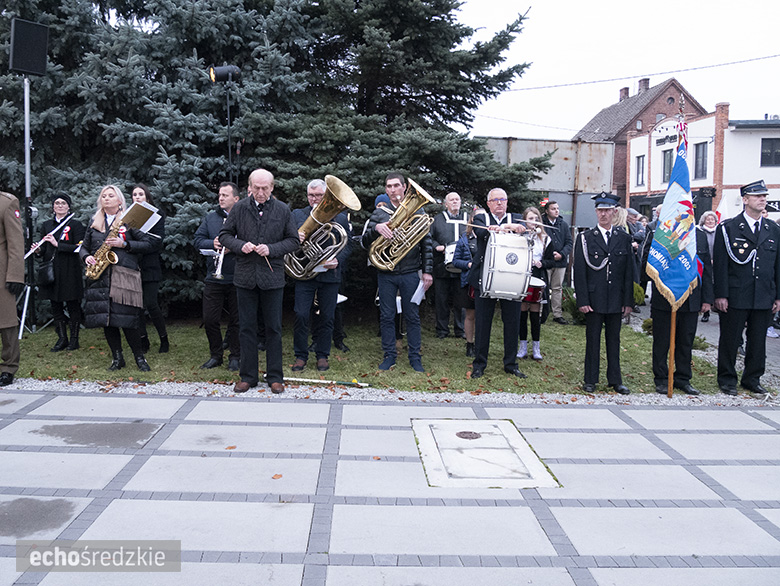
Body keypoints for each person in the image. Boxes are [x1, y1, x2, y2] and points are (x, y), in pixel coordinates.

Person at [219, 169, 299, 394]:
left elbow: (293, 240)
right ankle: (248, 376)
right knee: (246, 328)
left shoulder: (283, 210)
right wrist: (239, 245)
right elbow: (224, 235)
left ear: (272, 187)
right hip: (244, 277)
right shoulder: (240, 208)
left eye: (265, 188)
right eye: (257, 188)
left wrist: (272, 249)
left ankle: (275, 377)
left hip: (272, 278)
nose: (261, 192)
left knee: (273, 328)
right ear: (249, 187)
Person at [713, 180, 780, 396]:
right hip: (735, 293)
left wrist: (778, 296)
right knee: (731, 339)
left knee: (758, 340)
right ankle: (727, 379)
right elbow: (721, 264)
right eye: (757, 196)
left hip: (763, 294)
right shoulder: (729, 228)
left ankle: (752, 378)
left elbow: (778, 265)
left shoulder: (773, 229)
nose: (763, 200)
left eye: (764, 196)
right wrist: (721, 294)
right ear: (745, 200)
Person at [362, 172, 433, 372]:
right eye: (389, 186)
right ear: (386, 190)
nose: (392, 190)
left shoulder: (418, 213)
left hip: (410, 272)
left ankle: (415, 357)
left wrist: (427, 272)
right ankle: (389, 355)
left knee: (412, 315)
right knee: (386, 315)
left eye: (396, 186)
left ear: (404, 188)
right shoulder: (379, 214)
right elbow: (362, 242)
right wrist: (376, 228)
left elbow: (426, 246)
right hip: (386, 273)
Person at [80, 185, 153, 371]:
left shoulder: (129, 220)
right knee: (107, 320)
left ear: (119, 200)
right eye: (103, 196)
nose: (106, 198)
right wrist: (85, 256)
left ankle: (140, 358)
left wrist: (124, 243)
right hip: (101, 276)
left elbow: (147, 244)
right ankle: (117, 358)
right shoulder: (94, 221)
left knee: (128, 320)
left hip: (124, 276)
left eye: (110, 196)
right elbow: (83, 246)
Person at [643, 219, 713, 395]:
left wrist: (706, 299)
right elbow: (646, 262)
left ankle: (683, 378)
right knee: (662, 341)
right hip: (665, 297)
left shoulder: (700, 237)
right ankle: (661, 379)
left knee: (685, 341)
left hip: (690, 297)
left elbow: (706, 268)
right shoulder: (660, 236)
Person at [573, 192, 634, 394]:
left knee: (614, 340)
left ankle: (615, 380)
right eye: (600, 210)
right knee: (593, 341)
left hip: (616, 298)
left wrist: (628, 301)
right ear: (596, 212)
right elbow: (579, 272)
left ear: (614, 212)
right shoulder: (585, 238)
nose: (603, 214)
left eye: (607, 210)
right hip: (594, 298)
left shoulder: (623, 238)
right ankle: (590, 379)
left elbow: (628, 273)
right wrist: (582, 299)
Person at [291, 179, 352, 373]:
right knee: (300, 314)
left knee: (327, 316)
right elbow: (286, 241)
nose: (315, 199)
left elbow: (348, 245)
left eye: (319, 195)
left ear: (325, 196)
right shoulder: (296, 215)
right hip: (304, 273)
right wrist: (295, 238)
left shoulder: (339, 217)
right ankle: (300, 356)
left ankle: (322, 355)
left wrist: (337, 259)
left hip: (330, 274)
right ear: (306, 195)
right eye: (311, 195)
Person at [468, 188, 528, 379]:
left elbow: (528, 231)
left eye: (503, 199)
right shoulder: (481, 219)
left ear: (507, 202)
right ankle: (479, 364)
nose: (500, 203)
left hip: (511, 278)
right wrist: (494, 229)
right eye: (495, 200)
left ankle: (511, 364)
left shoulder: (516, 217)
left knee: (512, 322)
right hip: (485, 278)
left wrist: (518, 228)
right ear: (489, 203)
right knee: (483, 323)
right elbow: (479, 233)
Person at [193, 182, 241, 371]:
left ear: (236, 199)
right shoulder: (211, 218)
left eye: (225, 195)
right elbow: (198, 240)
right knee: (210, 318)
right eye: (220, 195)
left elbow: (252, 241)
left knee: (237, 320)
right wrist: (212, 243)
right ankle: (216, 355)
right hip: (214, 277)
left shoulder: (243, 218)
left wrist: (233, 245)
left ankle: (235, 356)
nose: (221, 198)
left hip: (238, 276)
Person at [36, 193, 85, 352]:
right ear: (53, 207)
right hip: (52, 271)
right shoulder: (47, 225)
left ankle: (74, 340)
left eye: (63, 203)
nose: (60, 206)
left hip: (70, 270)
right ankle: (62, 338)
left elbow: (79, 248)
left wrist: (58, 244)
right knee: (55, 305)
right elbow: (44, 249)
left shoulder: (76, 225)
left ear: (69, 206)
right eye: (57, 203)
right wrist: (38, 250)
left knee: (73, 305)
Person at [131, 184, 169, 353]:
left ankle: (164, 339)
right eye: (134, 194)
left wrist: (134, 245)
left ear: (147, 197)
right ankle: (143, 340)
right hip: (133, 265)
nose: (137, 197)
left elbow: (156, 242)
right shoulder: (128, 216)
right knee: (137, 306)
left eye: (141, 194)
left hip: (150, 265)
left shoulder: (157, 214)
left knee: (151, 304)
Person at [518, 207, 554, 361]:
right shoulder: (519, 236)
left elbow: (551, 260)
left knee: (535, 311)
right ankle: (523, 345)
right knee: (522, 310)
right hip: (522, 275)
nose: (532, 222)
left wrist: (541, 263)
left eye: (535, 219)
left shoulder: (546, 238)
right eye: (529, 219)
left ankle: (536, 346)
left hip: (538, 275)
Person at [430, 191, 467, 338]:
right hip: (441, 266)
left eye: (457, 199)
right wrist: (436, 246)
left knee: (461, 300)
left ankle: (461, 329)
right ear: (446, 204)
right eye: (451, 200)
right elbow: (428, 238)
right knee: (441, 299)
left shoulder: (468, 218)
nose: (455, 202)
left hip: (462, 267)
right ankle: (442, 330)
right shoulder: (437, 220)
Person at [0, 190, 24, 386]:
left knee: (6, 321)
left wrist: (15, 275)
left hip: (2, 273)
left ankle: (8, 366)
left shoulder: (6, 203)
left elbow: (16, 242)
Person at [451, 207, 481, 357]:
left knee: (483, 315)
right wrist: (468, 265)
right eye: (478, 218)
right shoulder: (464, 238)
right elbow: (455, 261)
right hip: (469, 281)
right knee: (470, 315)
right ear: (472, 220)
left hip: (486, 281)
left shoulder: (491, 237)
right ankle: (470, 344)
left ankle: (481, 345)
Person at [542, 200, 572, 325]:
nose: (556, 211)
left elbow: (569, 242)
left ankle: (557, 314)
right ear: (547, 211)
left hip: (560, 262)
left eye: (557, 208)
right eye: (553, 208)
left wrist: (562, 254)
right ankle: (540, 313)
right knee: (543, 287)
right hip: (546, 261)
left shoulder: (563, 225)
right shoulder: (542, 224)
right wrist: (549, 255)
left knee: (557, 288)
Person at [698, 211, 718, 322]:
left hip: (716, 263)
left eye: (712, 219)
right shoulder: (701, 232)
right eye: (708, 219)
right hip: (704, 262)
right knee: (707, 283)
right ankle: (706, 313)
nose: (710, 221)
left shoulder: (719, 232)